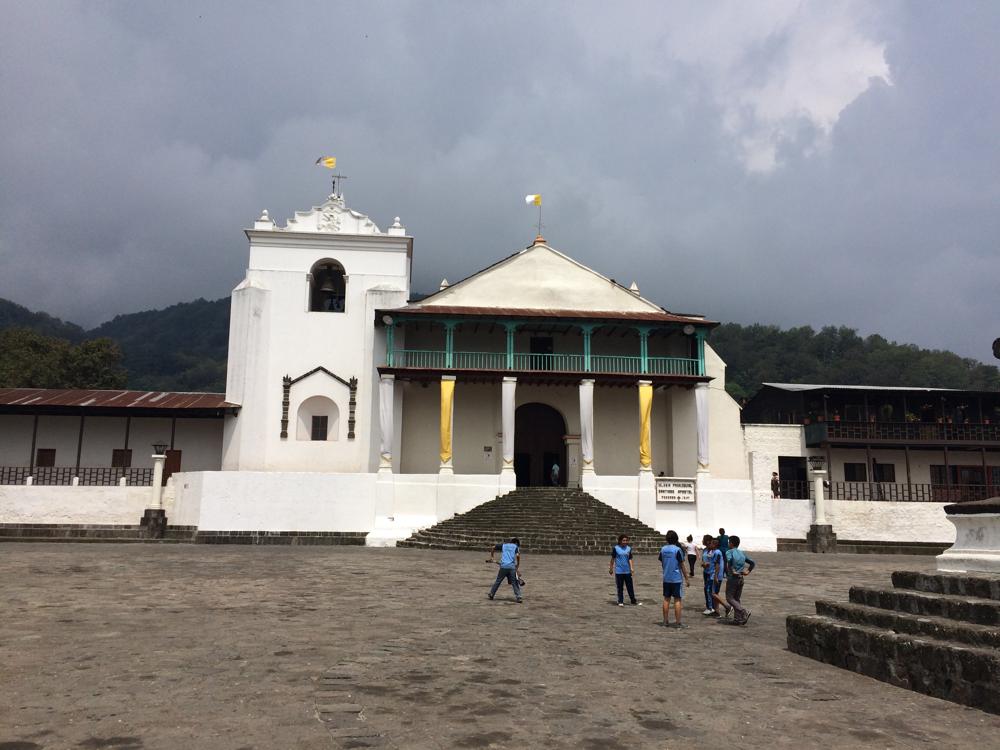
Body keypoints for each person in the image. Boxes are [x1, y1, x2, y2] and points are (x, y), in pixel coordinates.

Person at [658, 530, 689, 628]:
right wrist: (687, 578)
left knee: (666, 599)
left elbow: (662, 562)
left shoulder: (663, 549)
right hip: (676, 579)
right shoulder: (677, 550)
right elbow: (682, 565)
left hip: (666, 577)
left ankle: (665, 621)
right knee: (677, 600)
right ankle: (678, 622)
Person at [723, 535, 755, 625]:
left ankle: (743, 611)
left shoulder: (729, 552)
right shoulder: (742, 553)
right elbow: (752, 563)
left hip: (733, 578)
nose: (728, 543)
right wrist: (748, 571)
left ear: (732, 543)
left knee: (729, 598)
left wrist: (732, 570)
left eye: (729, 542)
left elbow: (729, 561)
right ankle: (738, 618)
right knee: (736, 599)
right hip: (741, 578)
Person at [609, 534, 641, 606]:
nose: (625, 542)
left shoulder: (628, 548)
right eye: (623, 540)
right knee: (620, 587)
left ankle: (633, 600)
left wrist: (632, 567)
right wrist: (611, 568)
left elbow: (630, 558)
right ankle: (620, 601)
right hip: (619, 571)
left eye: (626, 540)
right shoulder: (616, 548)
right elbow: (612, 559)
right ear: (620, 541)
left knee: (630, 587)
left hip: (627, 571)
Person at [487, 537, 523, 603]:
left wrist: (492, 557)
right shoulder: (515, 546)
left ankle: (491, 594)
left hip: (503, 566)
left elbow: (493, 547)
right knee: (514, 582)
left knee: (498, 581)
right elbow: (518, 555)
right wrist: (517, 564)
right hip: (511, 567)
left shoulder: (504, 545)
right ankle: (519, 597)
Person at [701, 536, 724, 616]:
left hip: (712, 573)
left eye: (704, 540)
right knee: (707, 590)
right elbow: (704, 561)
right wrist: (704, 564)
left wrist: (716, 575)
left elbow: (716, 564)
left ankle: (712, 607)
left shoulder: (716, 552)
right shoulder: (706, 550)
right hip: (707, 572)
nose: (702, 541)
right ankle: (711, 608)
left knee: (711, 591)